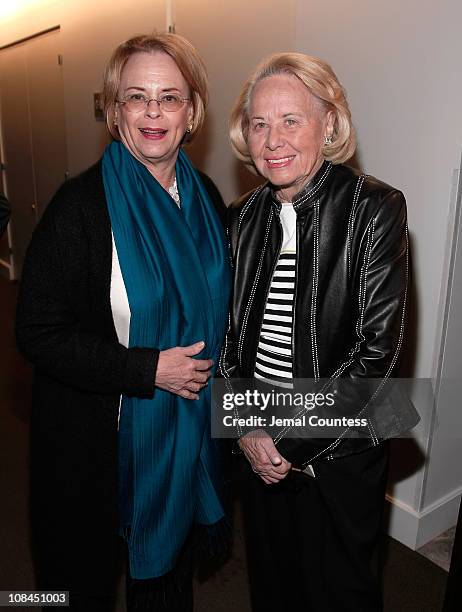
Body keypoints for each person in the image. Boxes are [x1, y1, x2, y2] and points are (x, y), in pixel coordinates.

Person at [16, 33, 231, 612]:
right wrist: (147, 369)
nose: (154, 112)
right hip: (95, 446)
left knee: (166, 586)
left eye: (170, 97)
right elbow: (35, 330)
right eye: (137, 97)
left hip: (183, 437)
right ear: (115, 111)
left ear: (192, 112)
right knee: (77, 589)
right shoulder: (79, 208)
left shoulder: (207, 198)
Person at [220, 52, 412, 611]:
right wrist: (252, 434)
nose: (272, 139)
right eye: (259, 124)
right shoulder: (240, 216)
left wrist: (284, 439)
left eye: (290, 120)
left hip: (339, 450)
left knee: (341, 592)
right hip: (257, 444)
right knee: (274, 586)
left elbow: (377, 356)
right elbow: (227, 342)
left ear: (328, 124)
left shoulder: (375, 208)